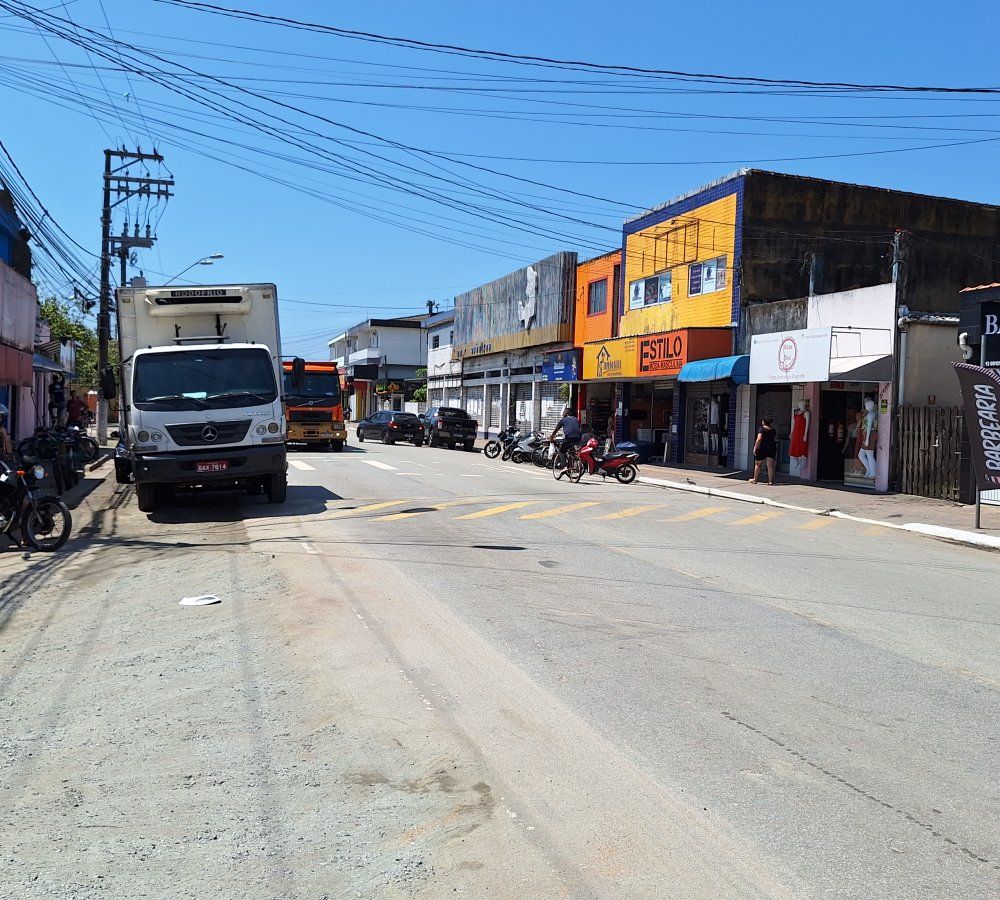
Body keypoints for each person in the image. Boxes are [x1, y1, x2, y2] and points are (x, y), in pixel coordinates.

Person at [749, 416, 777, 485]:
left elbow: (759, 438)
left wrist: (755, 448)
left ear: (763, 422)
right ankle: (770, 481)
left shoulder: (761, 429)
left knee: (758, 464)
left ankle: (755, 480)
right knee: (770, 465)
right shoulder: (773, 430)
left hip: (762, 448)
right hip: (771, 448)